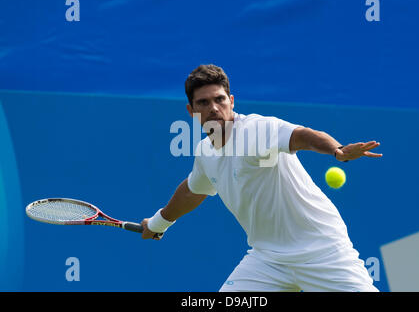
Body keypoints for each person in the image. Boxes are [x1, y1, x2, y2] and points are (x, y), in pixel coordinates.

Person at [141, 64, 382, 292]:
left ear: (231, 101)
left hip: (320, 249)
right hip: (268, 259)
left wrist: (336, 150)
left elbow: (303, 136)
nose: (214, 108)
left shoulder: (258, 130)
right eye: (203, 103)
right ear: (191, 112)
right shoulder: (205, 153)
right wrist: (157, 223)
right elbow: (192, 191)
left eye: (219, 99)